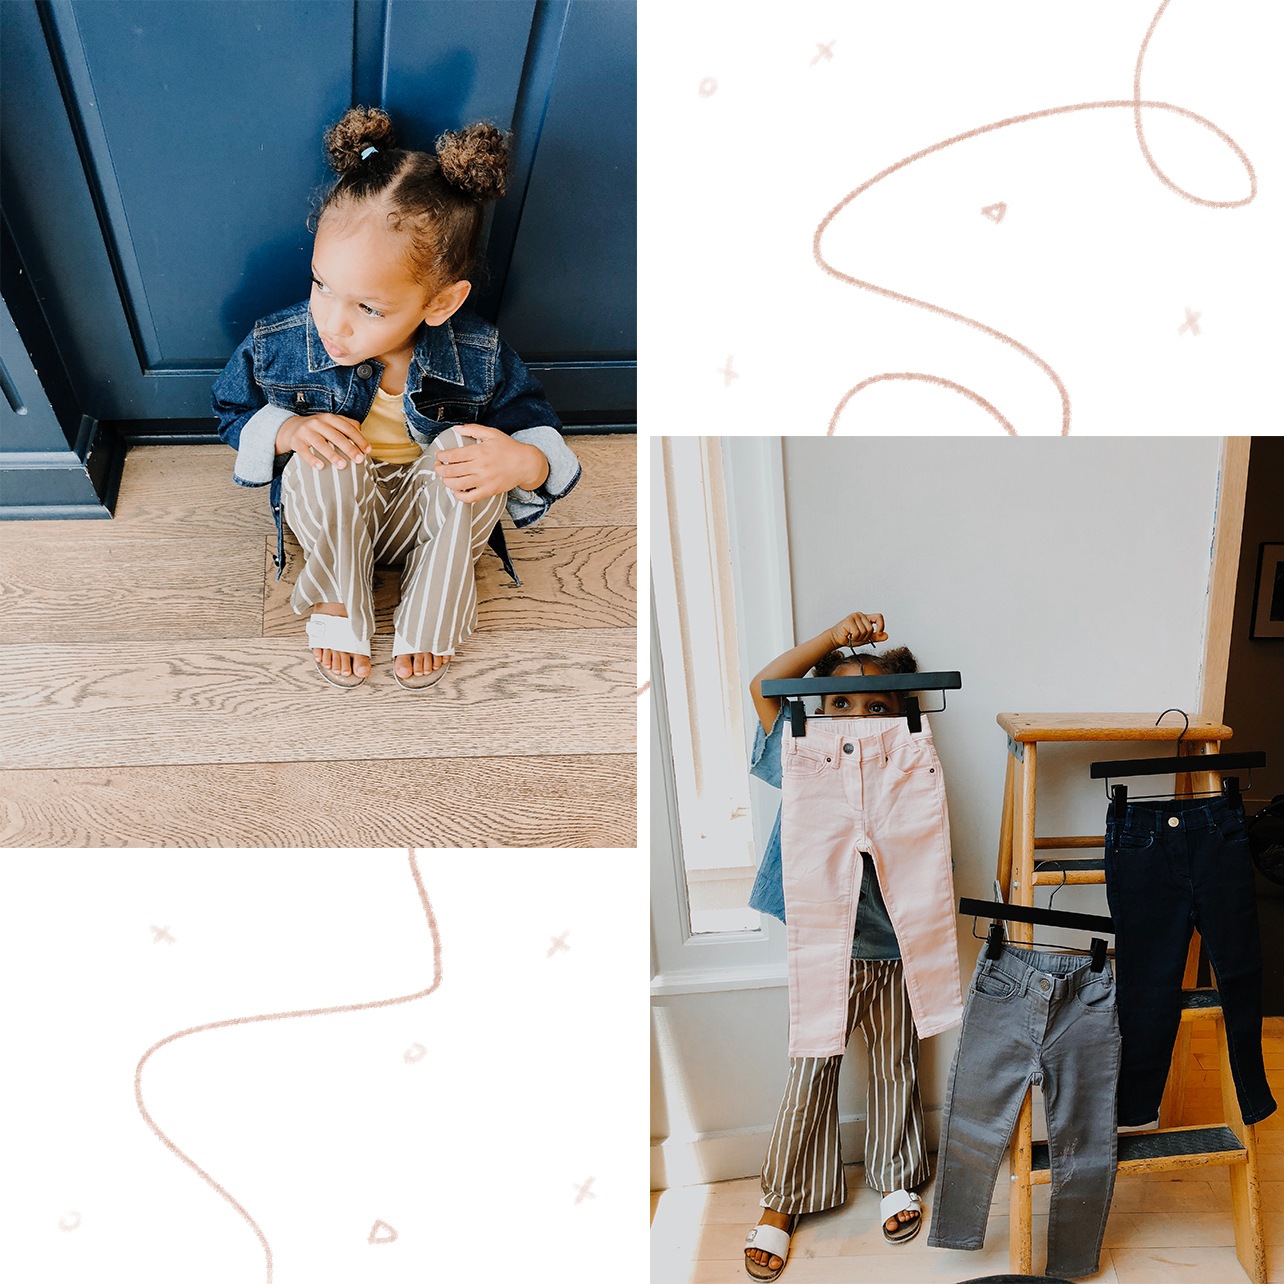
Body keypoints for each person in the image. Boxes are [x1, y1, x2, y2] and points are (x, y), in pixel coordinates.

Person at [212, 106, 580, 689]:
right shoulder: (279, 341)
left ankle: (432, 606)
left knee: (468, 448)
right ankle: (339, 597)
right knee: (327, 450)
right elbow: (230, 412)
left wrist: (525, 462)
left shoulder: (477, 352)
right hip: (334, 516)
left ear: (440, 303)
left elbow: (535, 426)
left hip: (427, 518)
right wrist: (286, 431)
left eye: (369, 308)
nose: (333, 322)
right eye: (321, 285)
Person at [743, 612, 935, 1280]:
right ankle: (783, 1199)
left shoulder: (909, 754)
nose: (856, 718)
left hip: (892, 937)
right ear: (818, 714)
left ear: (903, 714)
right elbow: (765, 686)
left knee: (894, 1064)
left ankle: (897, 1175)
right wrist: (832, 638)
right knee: (811, 1068)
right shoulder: (804, 747)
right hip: (824, 940)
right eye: (840, 704)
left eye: (875, 705)